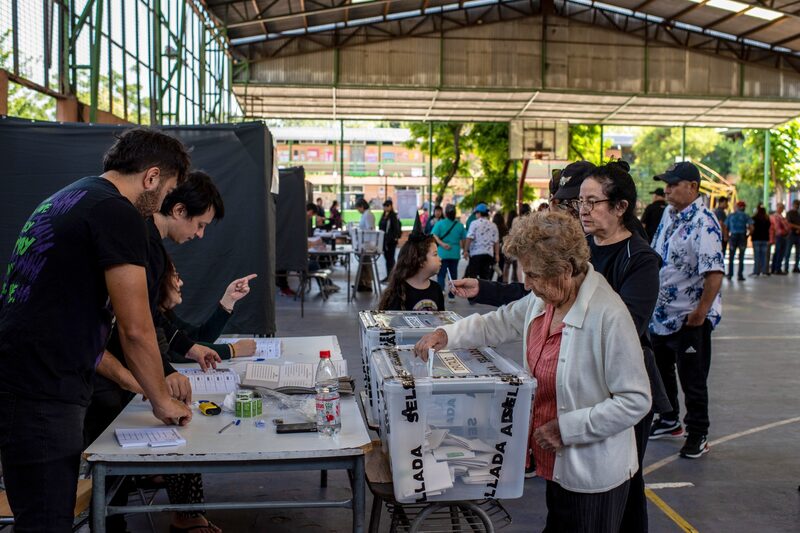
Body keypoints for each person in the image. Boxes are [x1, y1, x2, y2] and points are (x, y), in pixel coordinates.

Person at [0, 128, 193, 530]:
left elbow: (63, 310)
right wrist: (162, 400)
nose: (161, 201)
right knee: (47, 521)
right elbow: (135, 328)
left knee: (37, 515)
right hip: (42, 391)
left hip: (24, 379)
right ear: (152, 177)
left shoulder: (72, 196)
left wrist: (135, 381)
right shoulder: (115, 211)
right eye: (167, 189)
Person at [415, 211, 651, 532]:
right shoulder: (545, 301)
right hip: (554, 463)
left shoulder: (609, 316)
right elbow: (499, 322)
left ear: (565, 270)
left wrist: (567, 429)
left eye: (534, 275)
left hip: (591, 473)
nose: (527, 284)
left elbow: (635, 400)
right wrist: (448, 335)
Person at [578, 160, 671, 533]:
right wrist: (486, 291)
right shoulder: (580, 249)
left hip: (625, 383)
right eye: (580, 202)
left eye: (592, 202)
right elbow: (540, 297)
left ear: (620, 207)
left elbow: (628, 326)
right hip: (586, 376)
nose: (583, 210)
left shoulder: (640, 258)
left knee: (626, 479)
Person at [648, 162, 724, 460]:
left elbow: (714, 273)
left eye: (673, 183)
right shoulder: (669, 214)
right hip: (662, 313)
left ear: (692, 187)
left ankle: (698, 432)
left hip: (689, 316)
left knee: (692, 378)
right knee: (660, 369)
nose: (667, 189)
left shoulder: (705, 222)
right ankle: (669, 420)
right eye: (666, 183)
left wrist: (700, 313)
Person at [378, 233, 444, 311]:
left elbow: (441, 318)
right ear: (420, 260)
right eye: (435, 254)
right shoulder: (399, 291)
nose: (440, 258)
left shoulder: (437, 289)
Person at [432, 204, 466, 302]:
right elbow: (464, 239)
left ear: (445, 213)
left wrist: (442, 244)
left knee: (441, 274)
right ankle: (452, 295)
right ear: (455, 213)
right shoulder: (459, 225)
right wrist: (464, 250)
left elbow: (433, 235)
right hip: (455, 253)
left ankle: (441, 291)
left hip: (442, 253)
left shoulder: (440, 223)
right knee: (453, 274)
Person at [463, 203, 499, 280]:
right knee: (485, 278)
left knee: (473, 277)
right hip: (488, 255)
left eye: (476, 213)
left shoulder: (474, 223)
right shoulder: (493, 225)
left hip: (476, 254)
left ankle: (474, 292)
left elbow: (469, 238)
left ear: (479, 213)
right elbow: (496, 242)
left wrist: (465, 250)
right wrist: (497, 255)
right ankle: (484, 291)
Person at [725, 201, 752, 281]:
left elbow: (725, 227)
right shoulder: (746, 216)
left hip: (733, 236)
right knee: (741, 257)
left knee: (731, 257)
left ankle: (730, 274)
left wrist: (726, 236)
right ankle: (740, 275)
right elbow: (752, 227)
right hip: (742, 237)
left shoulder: (731, 216)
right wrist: (748, 235)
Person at [355, 198, 376, 292]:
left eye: (358, 208)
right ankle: (362, 283)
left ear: (362, 206)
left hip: (367, 244)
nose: (357, 210)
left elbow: (370, 230)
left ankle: (368, 284)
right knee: (363, 265)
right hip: (364, 243)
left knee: (366, 265)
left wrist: (360, 232)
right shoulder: (365, 214)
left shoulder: (368, 215)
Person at [379, 199, 402, 282]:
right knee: (388, 259)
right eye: (384, 206)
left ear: (391, 206)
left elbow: (395, 229)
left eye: (387, 206)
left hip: (391, 241)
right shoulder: (384, 215)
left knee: (390, 259)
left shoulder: (393, 216)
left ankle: (392, 276)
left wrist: (392, 238)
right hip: (384, 240)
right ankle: (390, 275)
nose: (385, 207)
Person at [750, 206, 771, 277]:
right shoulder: (767, 219)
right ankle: (764, 271)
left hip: (756, 239)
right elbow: (769, 228)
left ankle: (756, 271)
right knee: (764, 256)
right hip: (765, 239)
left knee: (757, 256)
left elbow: (752, 228)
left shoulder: (754, 218)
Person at [770, 202, 790, 275]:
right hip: (780, 236)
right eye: (780, 207)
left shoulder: (781, 216)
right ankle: (777, 269)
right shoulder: (776, 217)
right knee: (779, 253)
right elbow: (777, 228)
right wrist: (785, 231)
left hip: (782, 236)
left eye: (782, 208)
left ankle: (775, 268)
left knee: (778, 253)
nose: (781, 209)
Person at [784, 199, 800, 273]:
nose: (797, 206)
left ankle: (796, 267)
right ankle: (786, 268)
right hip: (791, 235)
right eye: (796, 204)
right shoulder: (789, 213)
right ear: (793, 205)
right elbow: (788, 224)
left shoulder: (798, 214)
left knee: (798, 253)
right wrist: (798, 227)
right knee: (788, 252)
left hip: (798, 235)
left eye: (798, 205)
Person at [492, 211, 509, 281]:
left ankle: (488, 283)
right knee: (501, 268)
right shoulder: (505, 229)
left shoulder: (492, 228)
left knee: (492, 268)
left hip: (493, 251)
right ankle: (499, 284)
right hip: (502, 251)